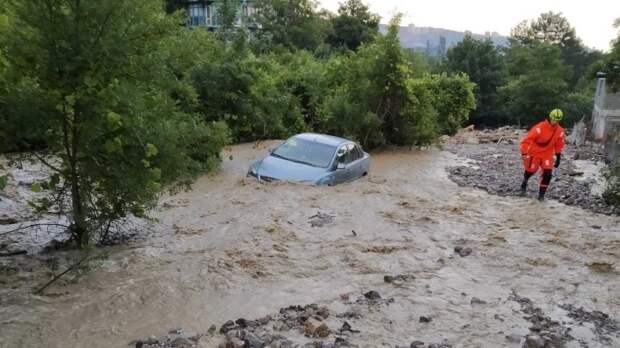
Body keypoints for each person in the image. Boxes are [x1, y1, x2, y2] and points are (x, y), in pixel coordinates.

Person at [519, 109, 565, 200]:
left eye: (557, 120)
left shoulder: (560, 131)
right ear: (550, 117)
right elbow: (527, 140)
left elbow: (559, 143)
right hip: (534, 153)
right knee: (530, 171)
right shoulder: (539, 127)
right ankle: (524, 182)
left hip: (547, 155)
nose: (555, 122)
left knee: (548, 175)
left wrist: (558, 156)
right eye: (554, 119)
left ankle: (541, 196)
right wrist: (524, 152)